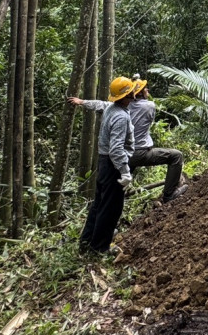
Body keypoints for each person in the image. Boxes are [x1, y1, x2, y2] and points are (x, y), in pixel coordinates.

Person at [70, 78, 187, 203]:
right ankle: (169, 195)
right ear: (139, 93)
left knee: (114, 192)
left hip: (123, 155)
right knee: (176, 156)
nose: (147, 89)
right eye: (144, 88)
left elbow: (100, 104)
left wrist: (81, 101)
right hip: (140, 153)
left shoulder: (117, 107)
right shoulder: (149, 106)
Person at [77, 76, 136, 255]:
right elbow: (116, 148)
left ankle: (87, 241)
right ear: (127, 96)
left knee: (99, 204)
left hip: (104, 162)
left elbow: (99, 104)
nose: (135, 93)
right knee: (111, 208)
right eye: (132, 91)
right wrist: (125, 172)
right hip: (113, 166)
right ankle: (100, 248)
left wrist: (83, 102)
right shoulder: (120, 117)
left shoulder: (111, 107)